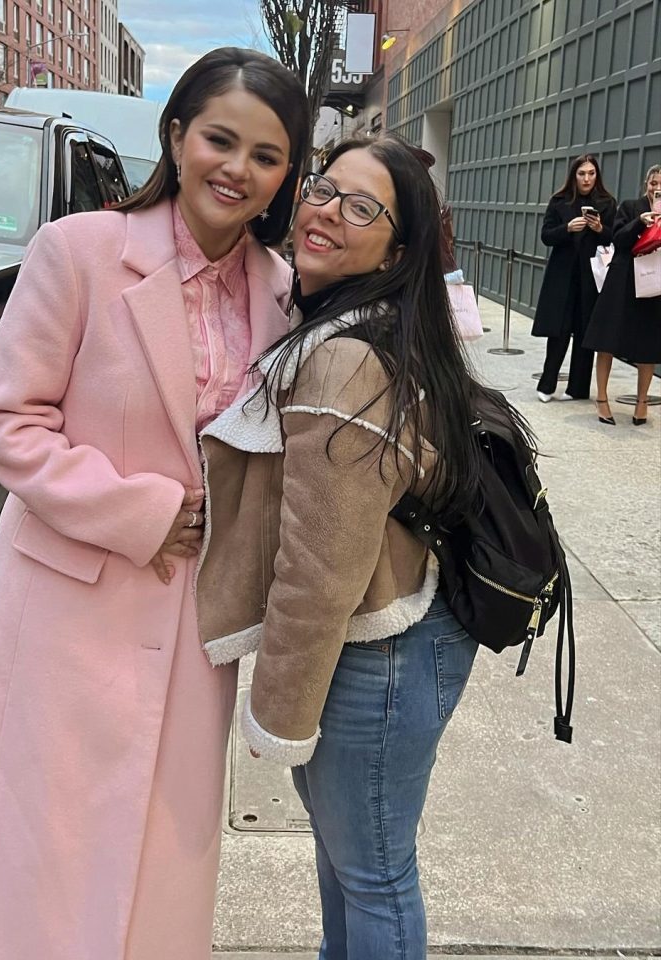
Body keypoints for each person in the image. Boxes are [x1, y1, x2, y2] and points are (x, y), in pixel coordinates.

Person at [0, 47, 309, 960]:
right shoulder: (79, 252)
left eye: (266, 155)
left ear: (288, 173)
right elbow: (6, 420)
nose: (237, 169)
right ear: (176, 136)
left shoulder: (282, 292)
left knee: (161, 854)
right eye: (219, 140)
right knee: (36, 852)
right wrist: (138, 511)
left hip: (192, 621)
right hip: (66, 611)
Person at [194, 135, 530, 958]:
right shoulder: (374, 326)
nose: (325, 213)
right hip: (400, 637)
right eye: (323, 188)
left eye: (361, 207)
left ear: (397, 249)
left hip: (381, 652)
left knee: (373, 873)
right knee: (351, 863)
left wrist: (277, 712)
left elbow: (320, 567)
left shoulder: (343, 359)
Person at [531, 154, 616, 401]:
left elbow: (615, 237)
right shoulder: (559, 201)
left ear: (597, 175)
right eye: (582, 174)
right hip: (563, 274)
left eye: (591, 173)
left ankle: (578, 388)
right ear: (574, 175)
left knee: (585, 331)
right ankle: (547, 384)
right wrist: (567, 228)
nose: (587, 178)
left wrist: (600, 229)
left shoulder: (607, 203)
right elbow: (546, 236)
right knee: (558, 330)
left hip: (592, 275)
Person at [584, 164, 661, 425]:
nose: (656, 188)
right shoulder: (630, 207)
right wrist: (640, 222)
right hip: (623, 279)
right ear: (645, 184)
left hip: (653, 284)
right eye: (653, 183)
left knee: (648, 343)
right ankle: (602, 399)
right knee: (607, 339)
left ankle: (642, 402)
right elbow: (617, 238)